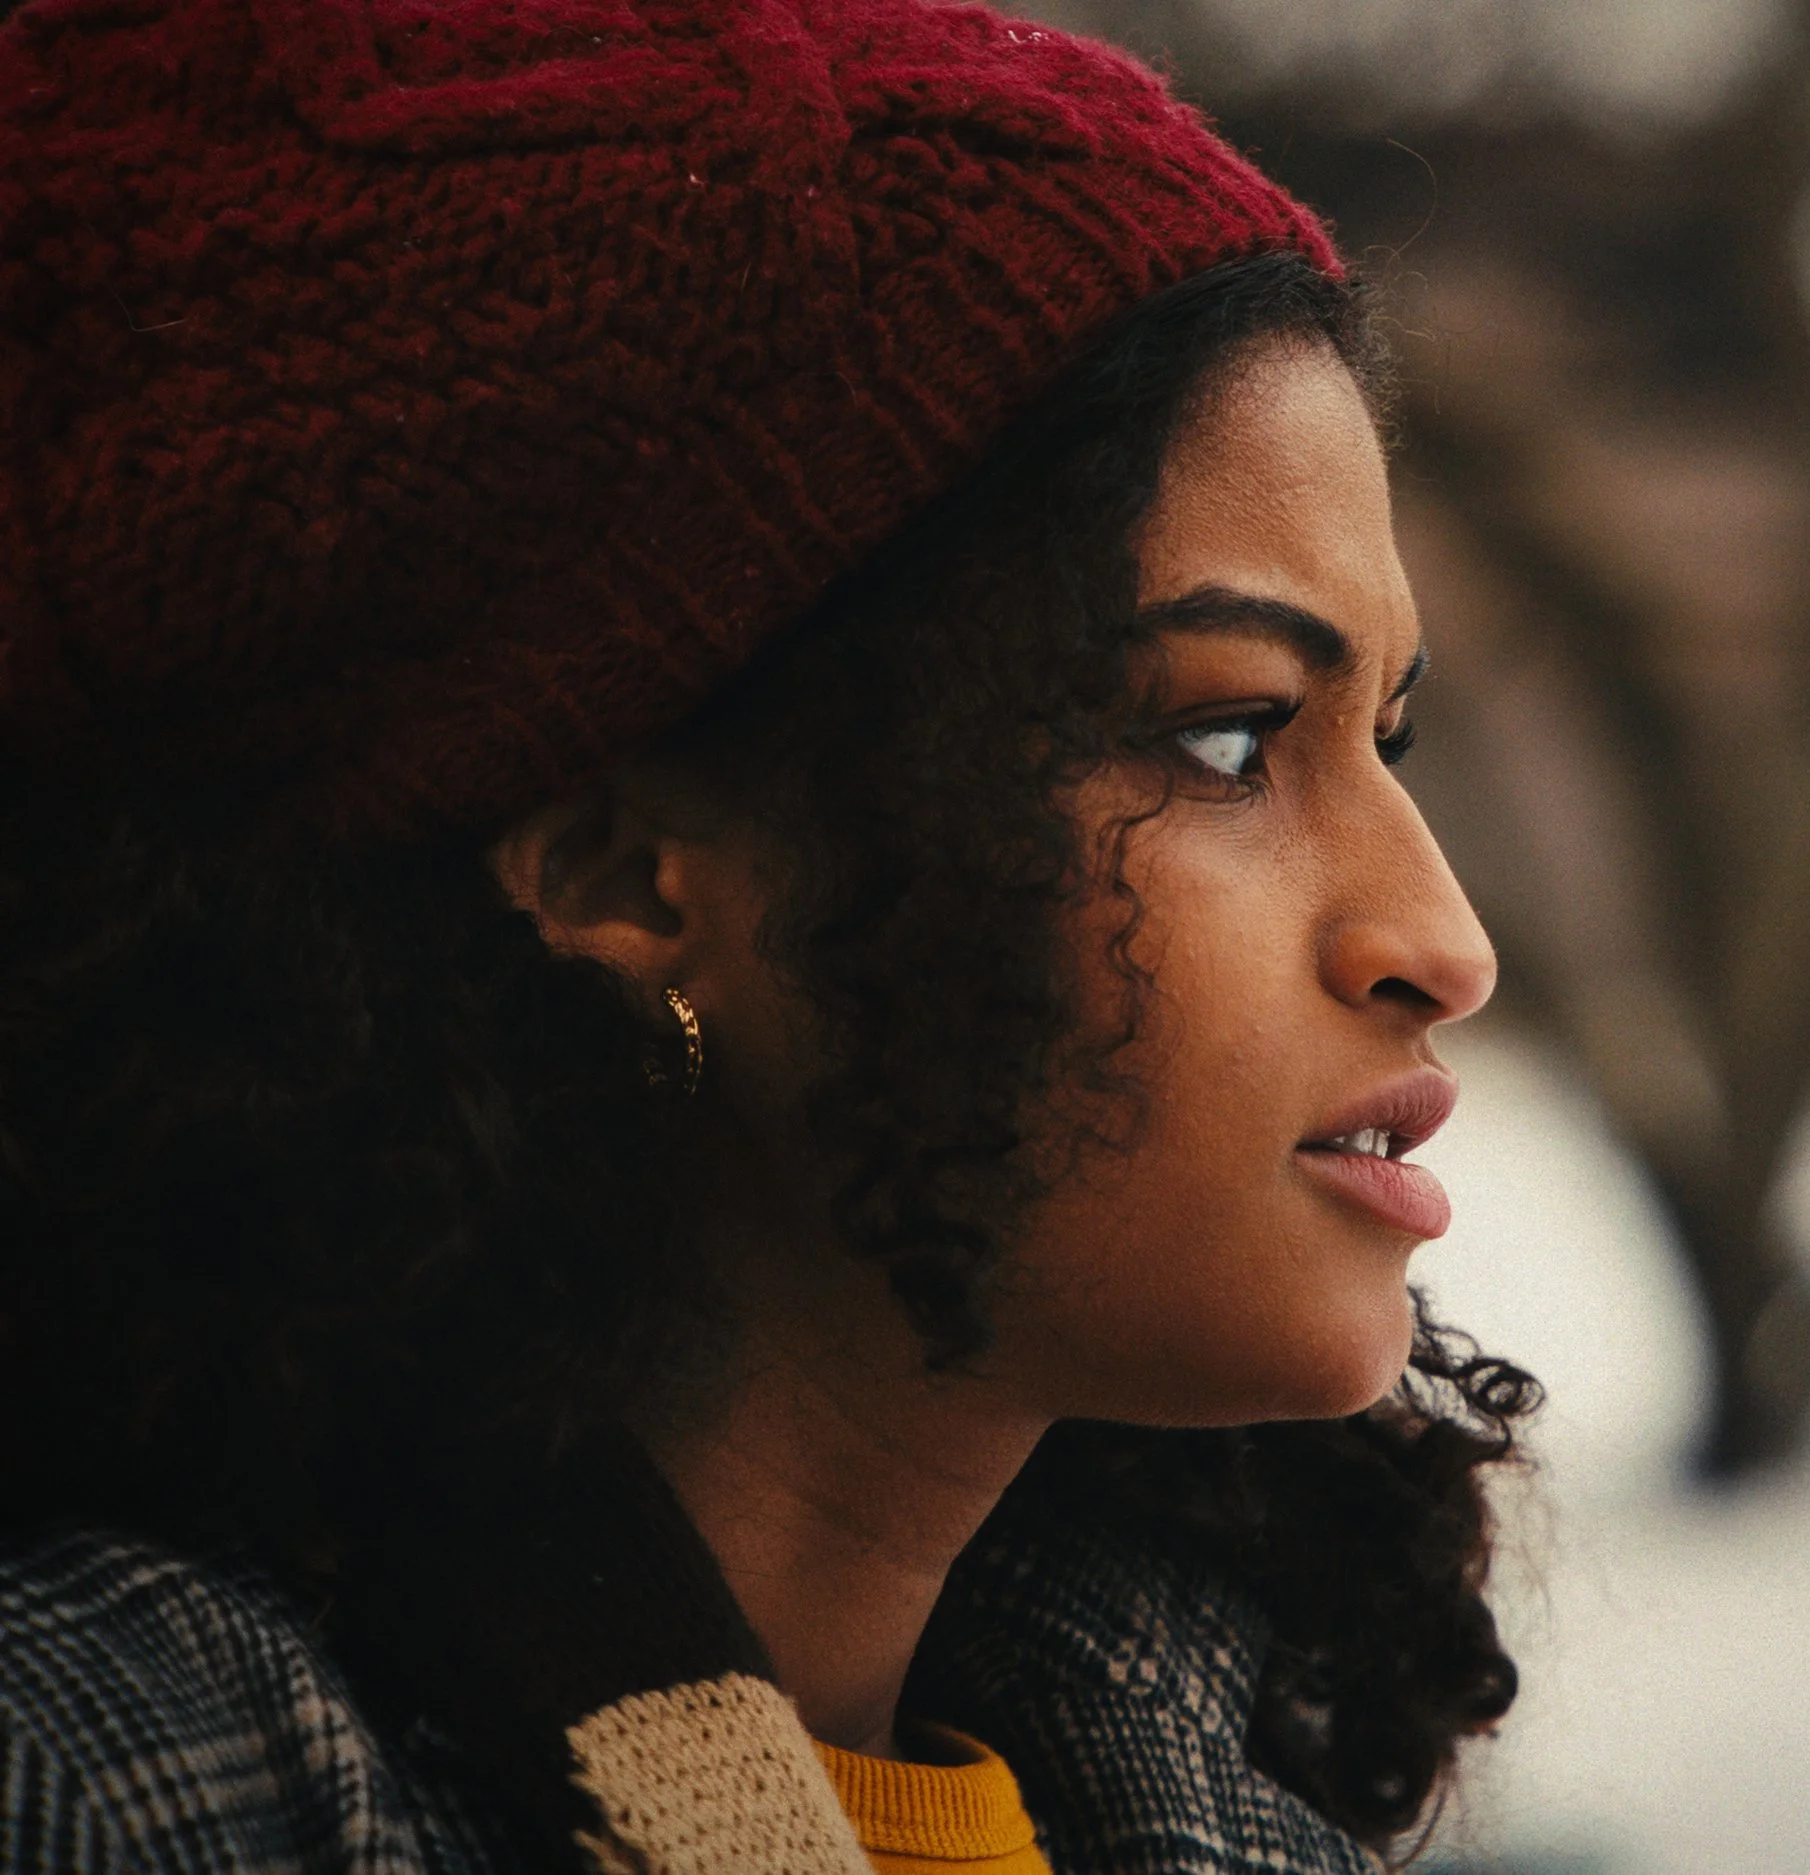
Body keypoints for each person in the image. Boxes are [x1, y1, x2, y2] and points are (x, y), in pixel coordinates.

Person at [0, 1, 1536, 1872]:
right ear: (626, 877)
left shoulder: (1205, 1800)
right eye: (1227, 739)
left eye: (1385, 734)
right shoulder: (111, 1793)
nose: (1440, 941)